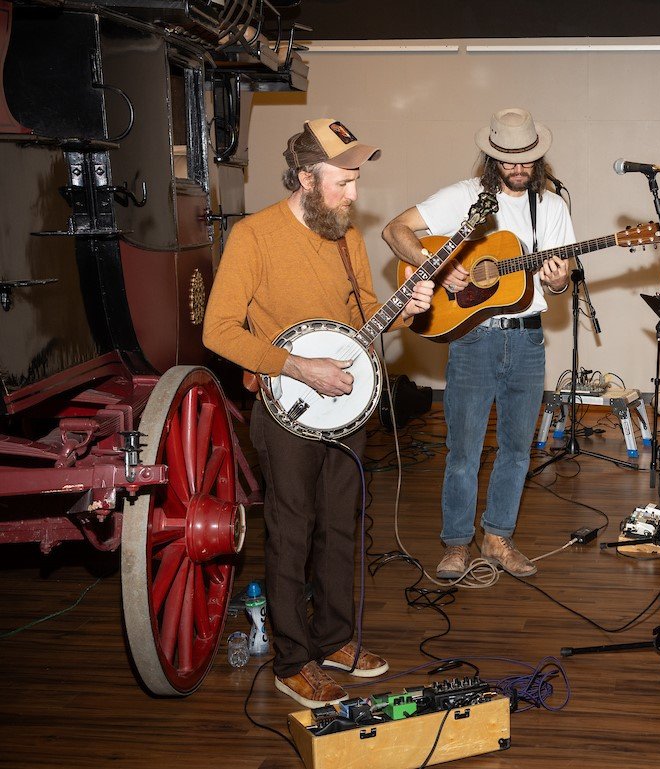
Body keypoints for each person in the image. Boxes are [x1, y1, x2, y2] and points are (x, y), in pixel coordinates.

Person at [203, 118, 435, 708]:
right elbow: (218, 330)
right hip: (286, 407)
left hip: (346, 409)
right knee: (291, 531)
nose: (354, 194)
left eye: (356, 181)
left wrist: (407, 309)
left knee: (340, 525)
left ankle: (334, 640)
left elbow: (361, 323)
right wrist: (297, 366)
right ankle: (292, 661)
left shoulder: (345, 237)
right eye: (342, 182)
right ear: (306, 177)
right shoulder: (254, 237)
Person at [383, 107, 572, 580]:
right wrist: (436, 263)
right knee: (464, 450)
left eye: (526, 158)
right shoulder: (466, 198)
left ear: (539, 158)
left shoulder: (551, 208)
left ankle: (498, 537)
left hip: (528, 341)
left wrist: (558, 280)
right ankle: (455, 543)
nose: (518, 167)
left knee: (517, 449)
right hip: (471, 340)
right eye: (508, 158)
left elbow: (556, 286)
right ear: (492, 158)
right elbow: (394, 229)